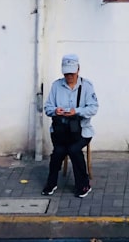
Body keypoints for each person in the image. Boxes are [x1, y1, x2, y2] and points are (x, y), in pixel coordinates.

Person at [42, 53, 98, 198]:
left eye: (72, 73)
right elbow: (47, 108)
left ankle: (83, 184)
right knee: (58, 153)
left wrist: (77, 111)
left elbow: (93, 108)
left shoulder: (87, 86)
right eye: (66, 73)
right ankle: (51, 183)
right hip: (61, 131)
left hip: (81, 131)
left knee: (74, 150)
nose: (69, 76)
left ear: (78, 70)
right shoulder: (56, 86)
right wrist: (56, 110)